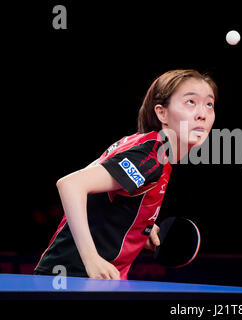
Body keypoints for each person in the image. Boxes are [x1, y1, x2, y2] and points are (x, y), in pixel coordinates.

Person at [34, 69, 217, 280]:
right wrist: (91, 258)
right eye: (191, 102)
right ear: (162, 113)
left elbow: (104, 201)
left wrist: (140, 226)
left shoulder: (146, 146)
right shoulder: (151, 156)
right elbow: (71, 185)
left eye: (209, 104)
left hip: (87, 280)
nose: (202, 114)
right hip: (72, 279)